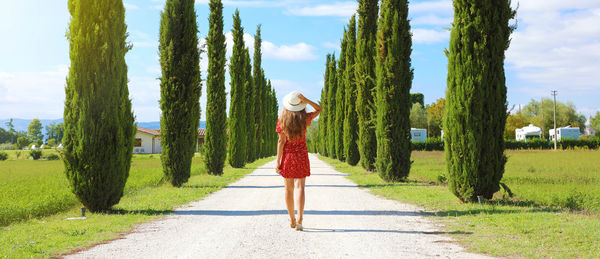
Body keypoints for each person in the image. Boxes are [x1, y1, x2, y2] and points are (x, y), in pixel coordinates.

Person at [275, 90, 321, 231]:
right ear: (300, 105)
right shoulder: (305, 118)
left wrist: (278, 162)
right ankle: (300, 219)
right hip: (301, 155)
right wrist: (307, 100)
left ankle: (293, 220)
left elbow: (281, 142)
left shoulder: (282, 120)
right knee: (300, 187)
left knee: (289, 189)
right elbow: (319, 109)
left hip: (288, 157)